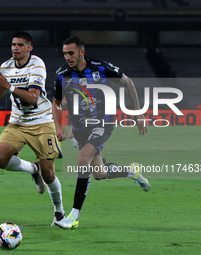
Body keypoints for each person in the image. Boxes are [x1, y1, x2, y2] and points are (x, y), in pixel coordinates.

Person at [52, 35, 150, 230]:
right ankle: (133, 172)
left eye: (71, 53)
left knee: (82, 159)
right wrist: (58, 126)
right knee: (99, 172)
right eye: (64, 53)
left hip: (103, 122)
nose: (67, 57)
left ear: (82, 52)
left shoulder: (101, 67)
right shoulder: (62, 74)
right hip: (80, 127)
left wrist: (138, 112)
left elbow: (128, 83)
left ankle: (74, 216)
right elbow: (56, 102)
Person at [0, 32, 65, 225]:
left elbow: (33, 97)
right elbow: (2, 87)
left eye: (19, 45)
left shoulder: (37, 65)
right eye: (13, 45)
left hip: (42, 121)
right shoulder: (6, 66)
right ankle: (32, 169)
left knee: (49, 173)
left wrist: (9, 86)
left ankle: (59, 212)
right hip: (17, 122)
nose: (15, 48)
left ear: (29, 48)